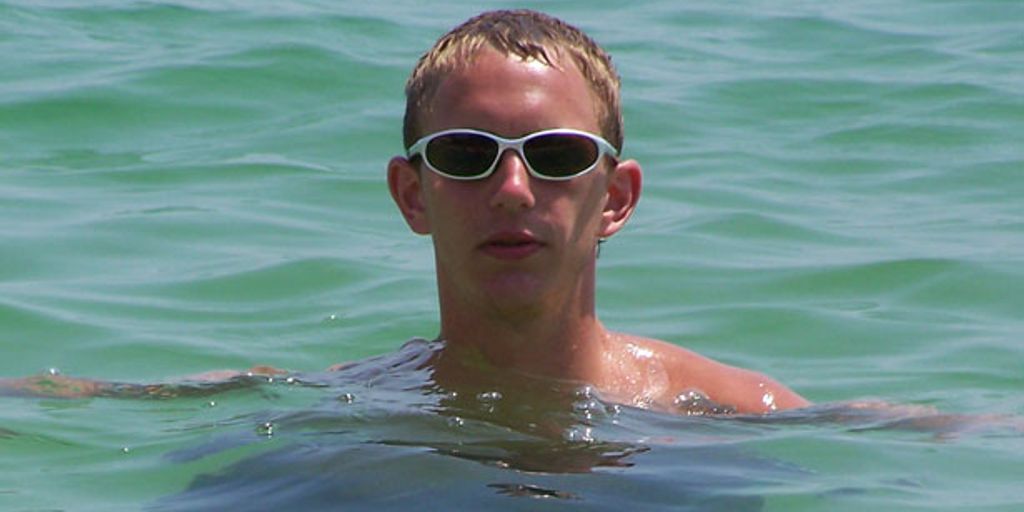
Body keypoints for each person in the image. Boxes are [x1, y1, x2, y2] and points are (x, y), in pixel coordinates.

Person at [1, 9, 808, 415]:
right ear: (411, 194)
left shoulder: (729, 417)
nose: (514, 189)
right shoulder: (348, 412)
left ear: (617, 198)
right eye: (466, 154)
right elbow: (152, 400)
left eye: (556, 155)